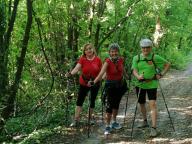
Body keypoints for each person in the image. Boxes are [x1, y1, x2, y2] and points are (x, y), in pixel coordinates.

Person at [132, 38, 170, 137]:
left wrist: (161, 74)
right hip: (140, 84)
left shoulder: (155, 57)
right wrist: (138, 76)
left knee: (152, 104)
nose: (145, 50)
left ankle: (153, 128)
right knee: (141, 103)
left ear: (151, 48)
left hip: (152, 84)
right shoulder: (136, 58)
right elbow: (134, 70)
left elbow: (167, 64)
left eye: (147, 48)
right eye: (143, 48)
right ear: (141, 48)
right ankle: (145, 121)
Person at [90, 43, 128, 135]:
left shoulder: (121, 60)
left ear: (118, 52)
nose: (114, 53)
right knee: (109, 106)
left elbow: (122, 69)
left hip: (120, 85)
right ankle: (107, 125)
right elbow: (101, 73)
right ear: (109, 52)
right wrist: (94, 82)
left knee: (116, 104)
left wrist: (127, 76)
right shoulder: (107, 61)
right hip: (110, 86)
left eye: (115, 51)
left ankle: (114, 122)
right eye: (112, 51)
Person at [65, 43, 102, 127]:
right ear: (84, 52)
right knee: (79, 101)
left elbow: (101, 72)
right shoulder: (82, 59)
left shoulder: (98, 60)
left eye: (90, 48)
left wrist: (102, 78)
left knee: (92, 101)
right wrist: (70, 74)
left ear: (93, 50)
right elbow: (77, 68)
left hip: (95, 83)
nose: (88, 50)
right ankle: (76, 119)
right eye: (86, 49)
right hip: (84, 82)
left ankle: (89, 119)